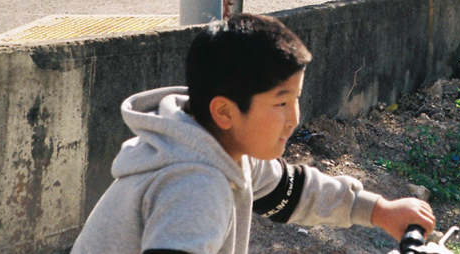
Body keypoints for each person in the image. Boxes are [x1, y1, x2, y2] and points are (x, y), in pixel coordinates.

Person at [72, 13, 434, 254]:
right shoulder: (195, 186)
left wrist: (379, 210)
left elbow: (291, 191)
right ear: (225, 111)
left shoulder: (220, 148)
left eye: (296, 99)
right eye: (280, 104)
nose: (294, 119)